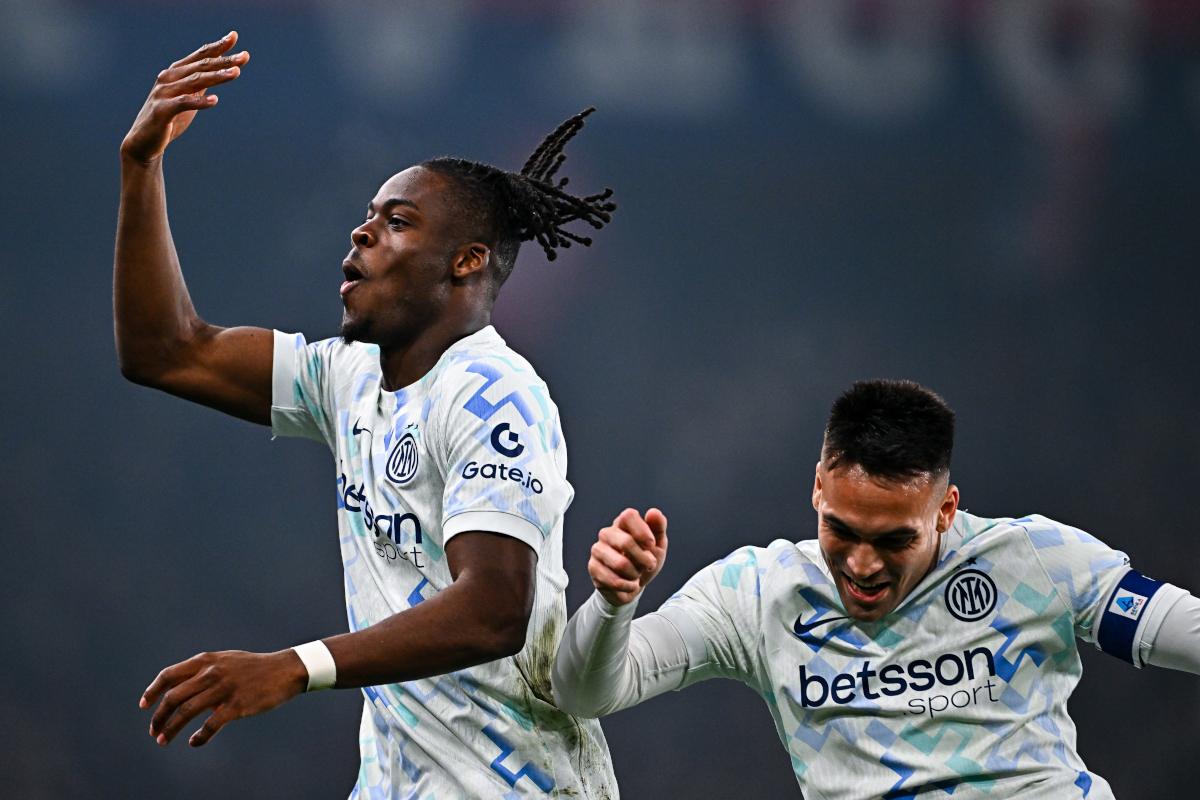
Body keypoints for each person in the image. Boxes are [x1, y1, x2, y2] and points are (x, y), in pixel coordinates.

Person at [116, 31, 619, 800]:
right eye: (368, 216)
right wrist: (141, 165)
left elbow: (494, 609)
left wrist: (297, 666)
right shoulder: (347, 378)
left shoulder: (492, 392)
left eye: (398, 221)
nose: (362, 232)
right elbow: (165, 351)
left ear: (466, 260)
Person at [552, 379, 1200, 800]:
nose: (862, 565)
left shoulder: (1034, 560)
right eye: (841, 530)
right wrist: (613, 604)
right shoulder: (758, 592)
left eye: (894, 540)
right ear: (817, 488)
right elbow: (586, 694)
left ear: (945, 511)